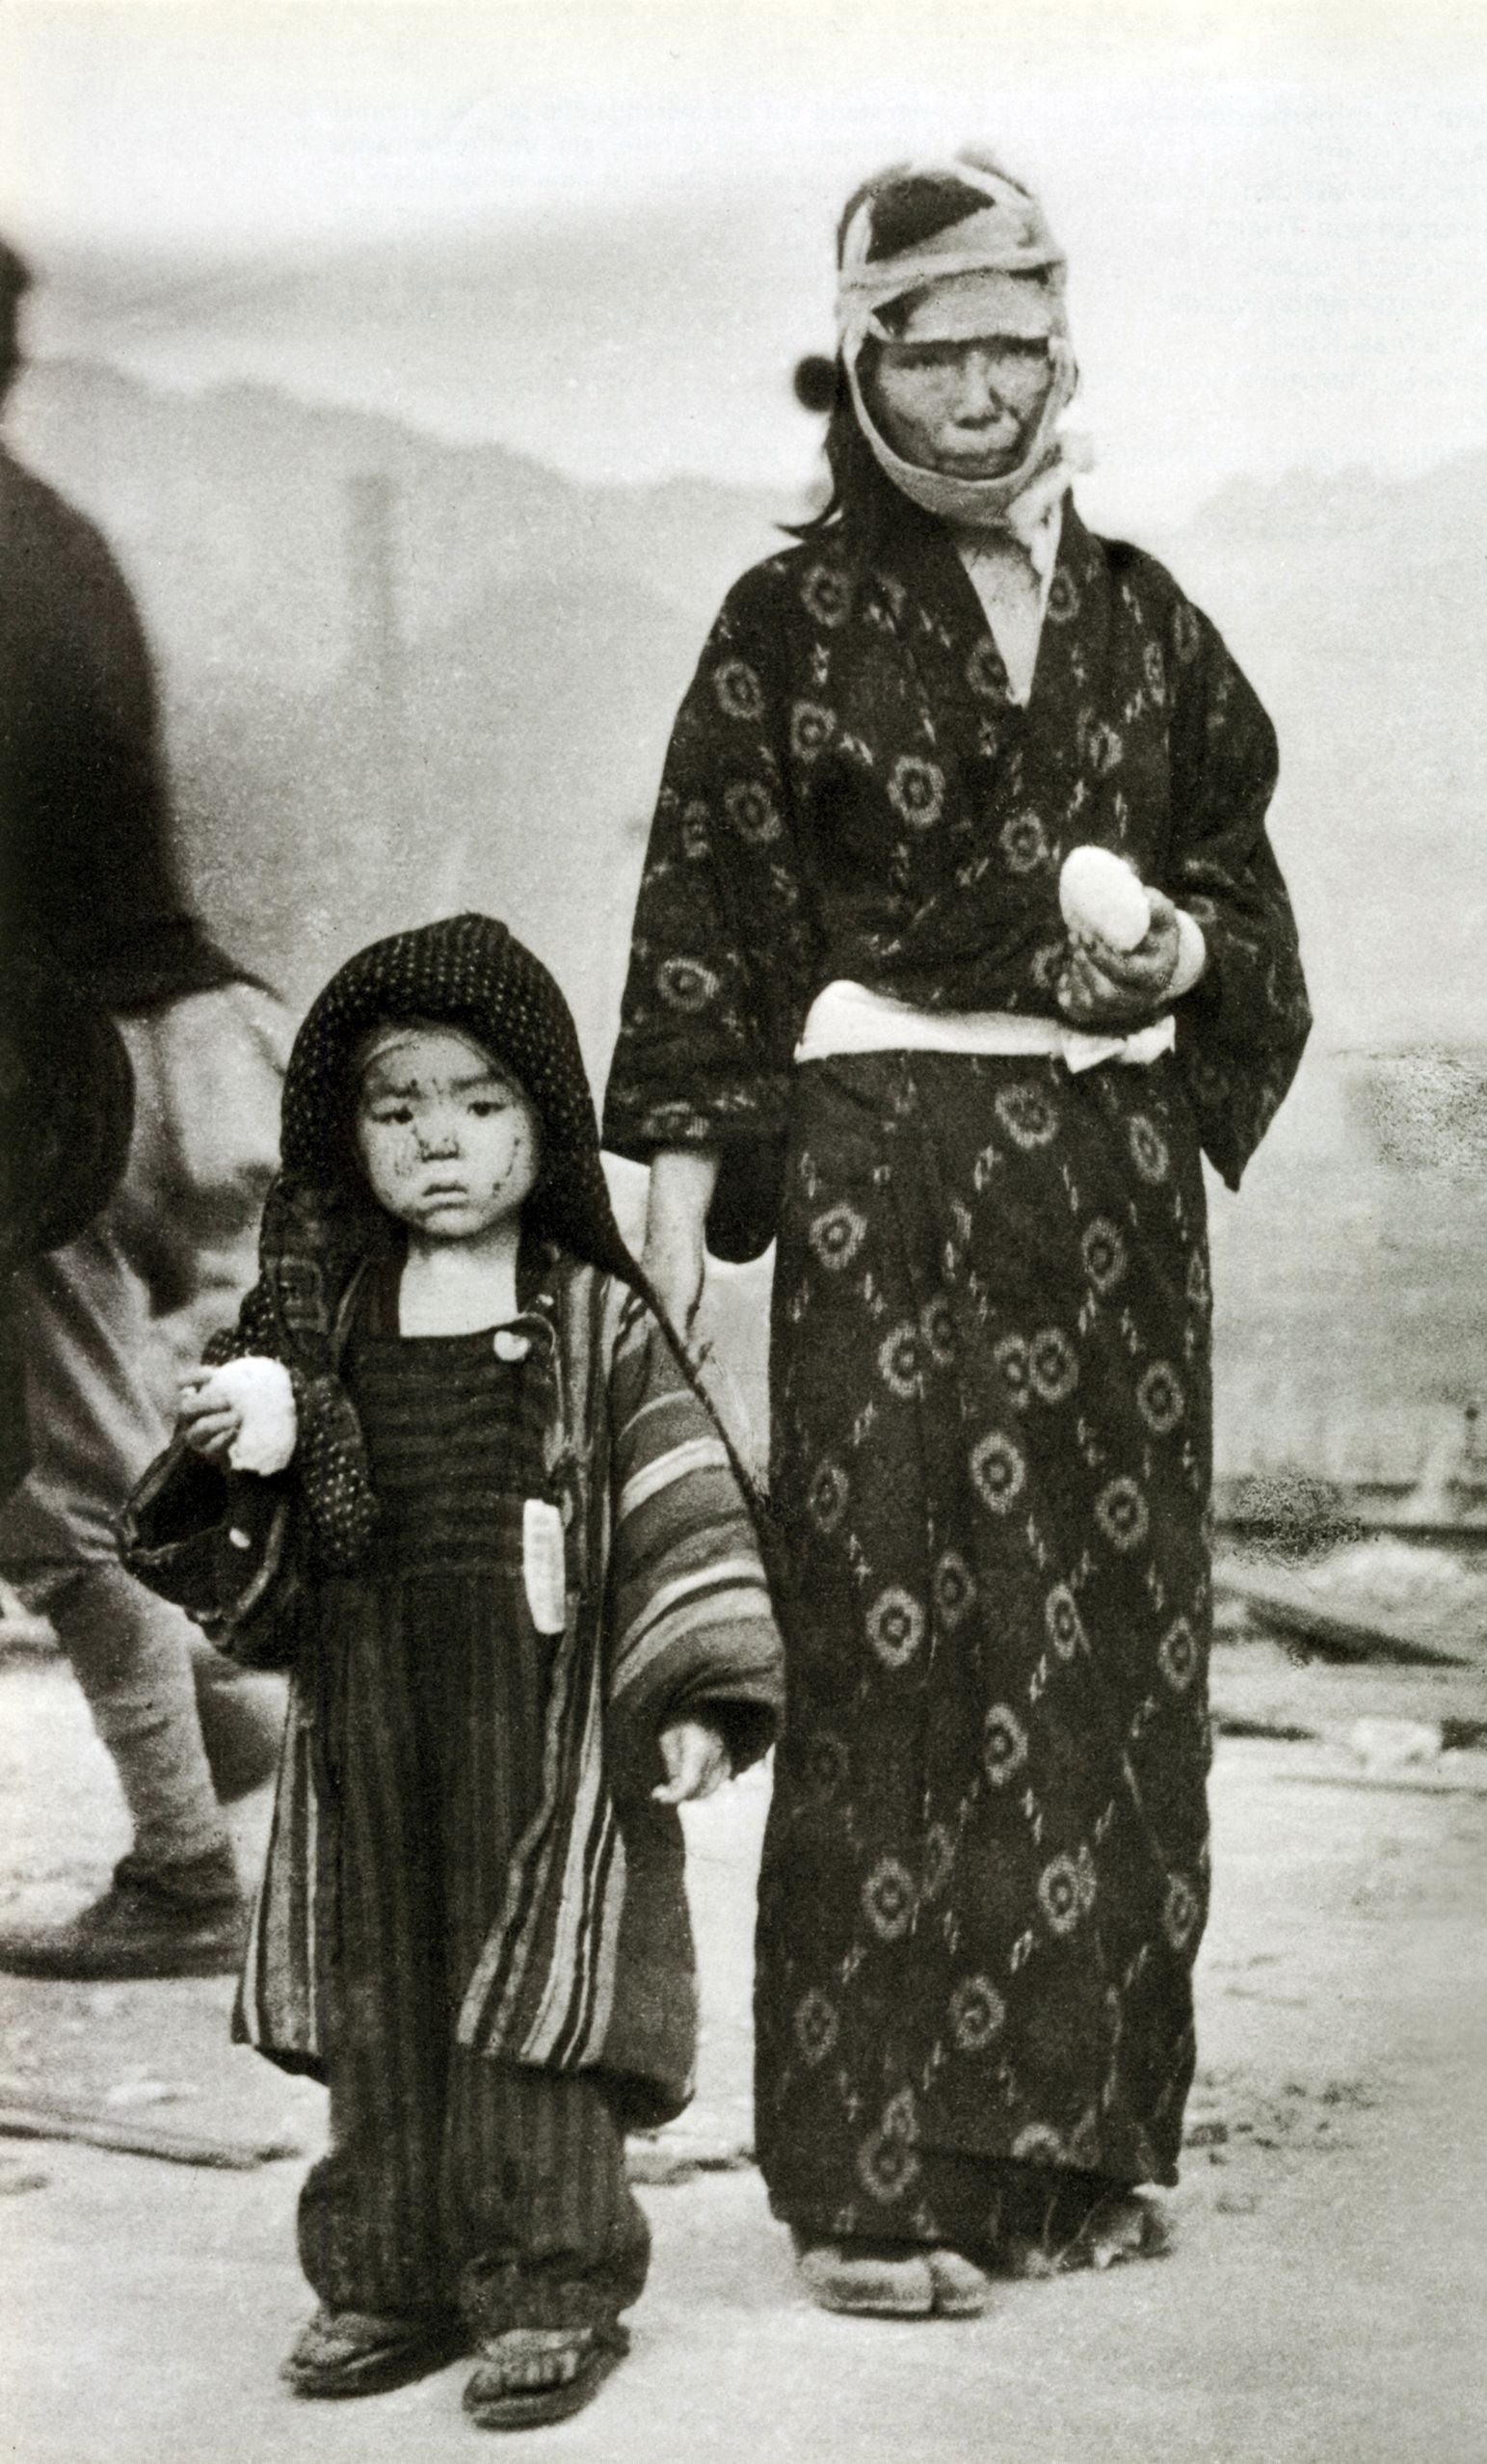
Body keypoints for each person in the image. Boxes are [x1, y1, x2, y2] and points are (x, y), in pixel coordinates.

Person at [602, 154, 1312, 2317]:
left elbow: (1240, 900)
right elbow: (710, 917)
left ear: (1059, 350)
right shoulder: (785, 625)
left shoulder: (1155, 618)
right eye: (941, 348)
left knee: (1107, 1655)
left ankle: (1077, 2143)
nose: (987, 392)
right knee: (895, 1641)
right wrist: (689, 1217)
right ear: (868, 364)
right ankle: (875, 2182)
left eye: (1021, 344)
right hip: (886, 1180)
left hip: (1105, 1208)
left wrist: (1177, 954)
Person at [140, 912, 782, 2427]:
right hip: (370, 1714)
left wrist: (697, 1689)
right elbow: (244, 1542)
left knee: (539, 2002)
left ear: (543, 1124)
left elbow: (679, 1491)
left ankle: (550, 2288)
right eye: (396, 1106)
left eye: (482, 1104)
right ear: (342, 1135)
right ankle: (386, 2274)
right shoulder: (328, 1327)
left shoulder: (591, 1318)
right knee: (385, 1998)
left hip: (543, 1727)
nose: (440, 1143)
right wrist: (243, 1446)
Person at [0, 232, 288, 1980]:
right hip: (138, 1043)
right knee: (48, 1463)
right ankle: (214, 1727)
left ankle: (188, 1871)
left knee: (65, 1485)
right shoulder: (55, 537)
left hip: (43, 1077)